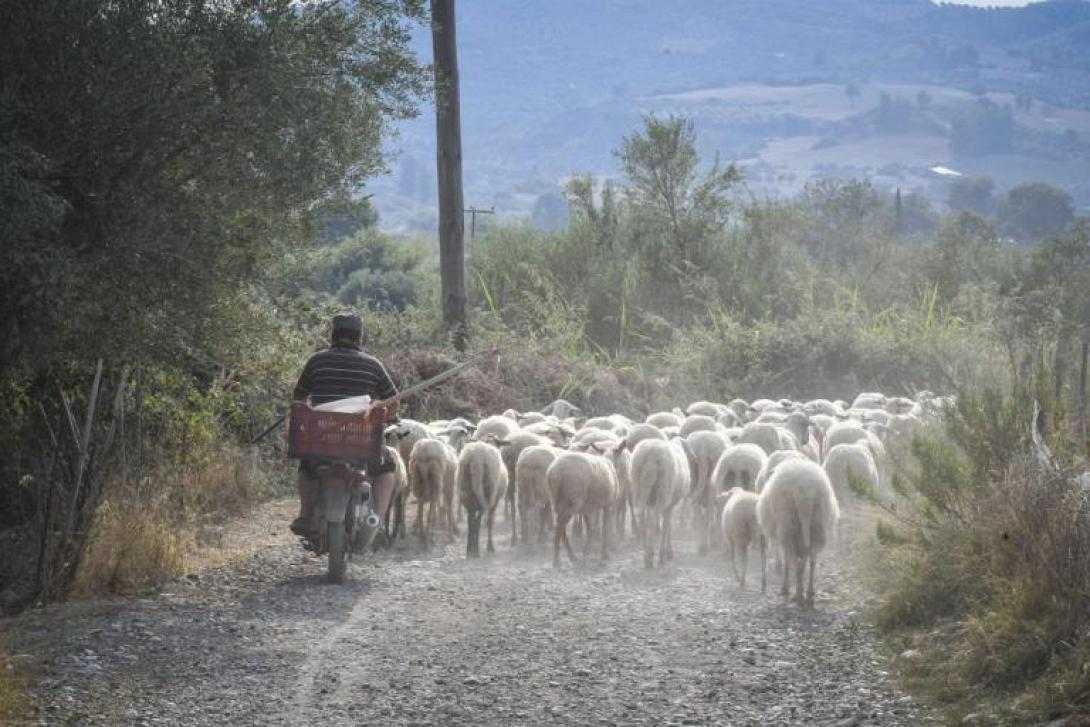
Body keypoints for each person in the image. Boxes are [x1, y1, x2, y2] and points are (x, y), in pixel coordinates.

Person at [290, 313, 399, 538]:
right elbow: (393, 400)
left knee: (306, 467)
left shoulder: (316, 361)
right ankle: (376, 521)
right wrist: (390, 417)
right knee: (387, 469)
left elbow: (299, 397)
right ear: (359, 338)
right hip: (360, 443)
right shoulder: (373, 365)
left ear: (332, 335)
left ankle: (305, 513)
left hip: (320, 442)